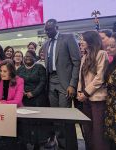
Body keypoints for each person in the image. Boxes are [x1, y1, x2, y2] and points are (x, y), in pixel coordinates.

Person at [42, 19, 80, 149]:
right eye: (46, 29)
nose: (47, 32)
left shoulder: (68, 38)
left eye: (50, 29)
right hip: (51, 82)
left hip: (65, 83)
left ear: (56, 27)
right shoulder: (46, 43)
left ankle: (71, 147)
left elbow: (76, 62)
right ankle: (62, 146)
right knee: (56, 117)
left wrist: (72, 84)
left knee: (66, 117)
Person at [77, 31, 110, 150]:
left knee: (98, 131)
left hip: (97, 99)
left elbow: (100, 78)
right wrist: (80, 92)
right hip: (85, 99)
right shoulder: (84, 56)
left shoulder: (102, 54)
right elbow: (81, 78)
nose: (81, 42)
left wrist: (85, 93)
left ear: (91, 41)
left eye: (83, 39)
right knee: (88, 131)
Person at [17, 50, 48, 149]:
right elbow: (17, 82)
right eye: (26, 56)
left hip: (37, 98)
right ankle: (24, 143)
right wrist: (21, 91)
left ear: (35, 57)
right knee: (24, 122)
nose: (27, 58)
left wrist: (33, 93)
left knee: (36, 122)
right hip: (23, 98)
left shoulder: (40, 67)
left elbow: (42, 83)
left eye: (30, 56)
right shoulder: (20, 69)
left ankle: (37, 144)